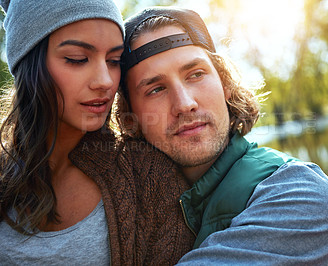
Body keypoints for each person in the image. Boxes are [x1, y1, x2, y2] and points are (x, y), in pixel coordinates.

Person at [119, 6, 328, 265]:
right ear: (130, 117)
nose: (184, 104)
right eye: (156, 89)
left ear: (225, 84)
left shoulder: (305, 198)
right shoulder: (126, 207)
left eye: (195, 75)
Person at [0, 1, 194, 265]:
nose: (104, 80)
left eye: (114, 61)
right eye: (77, 59)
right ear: (29, 63)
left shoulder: (149, 178)